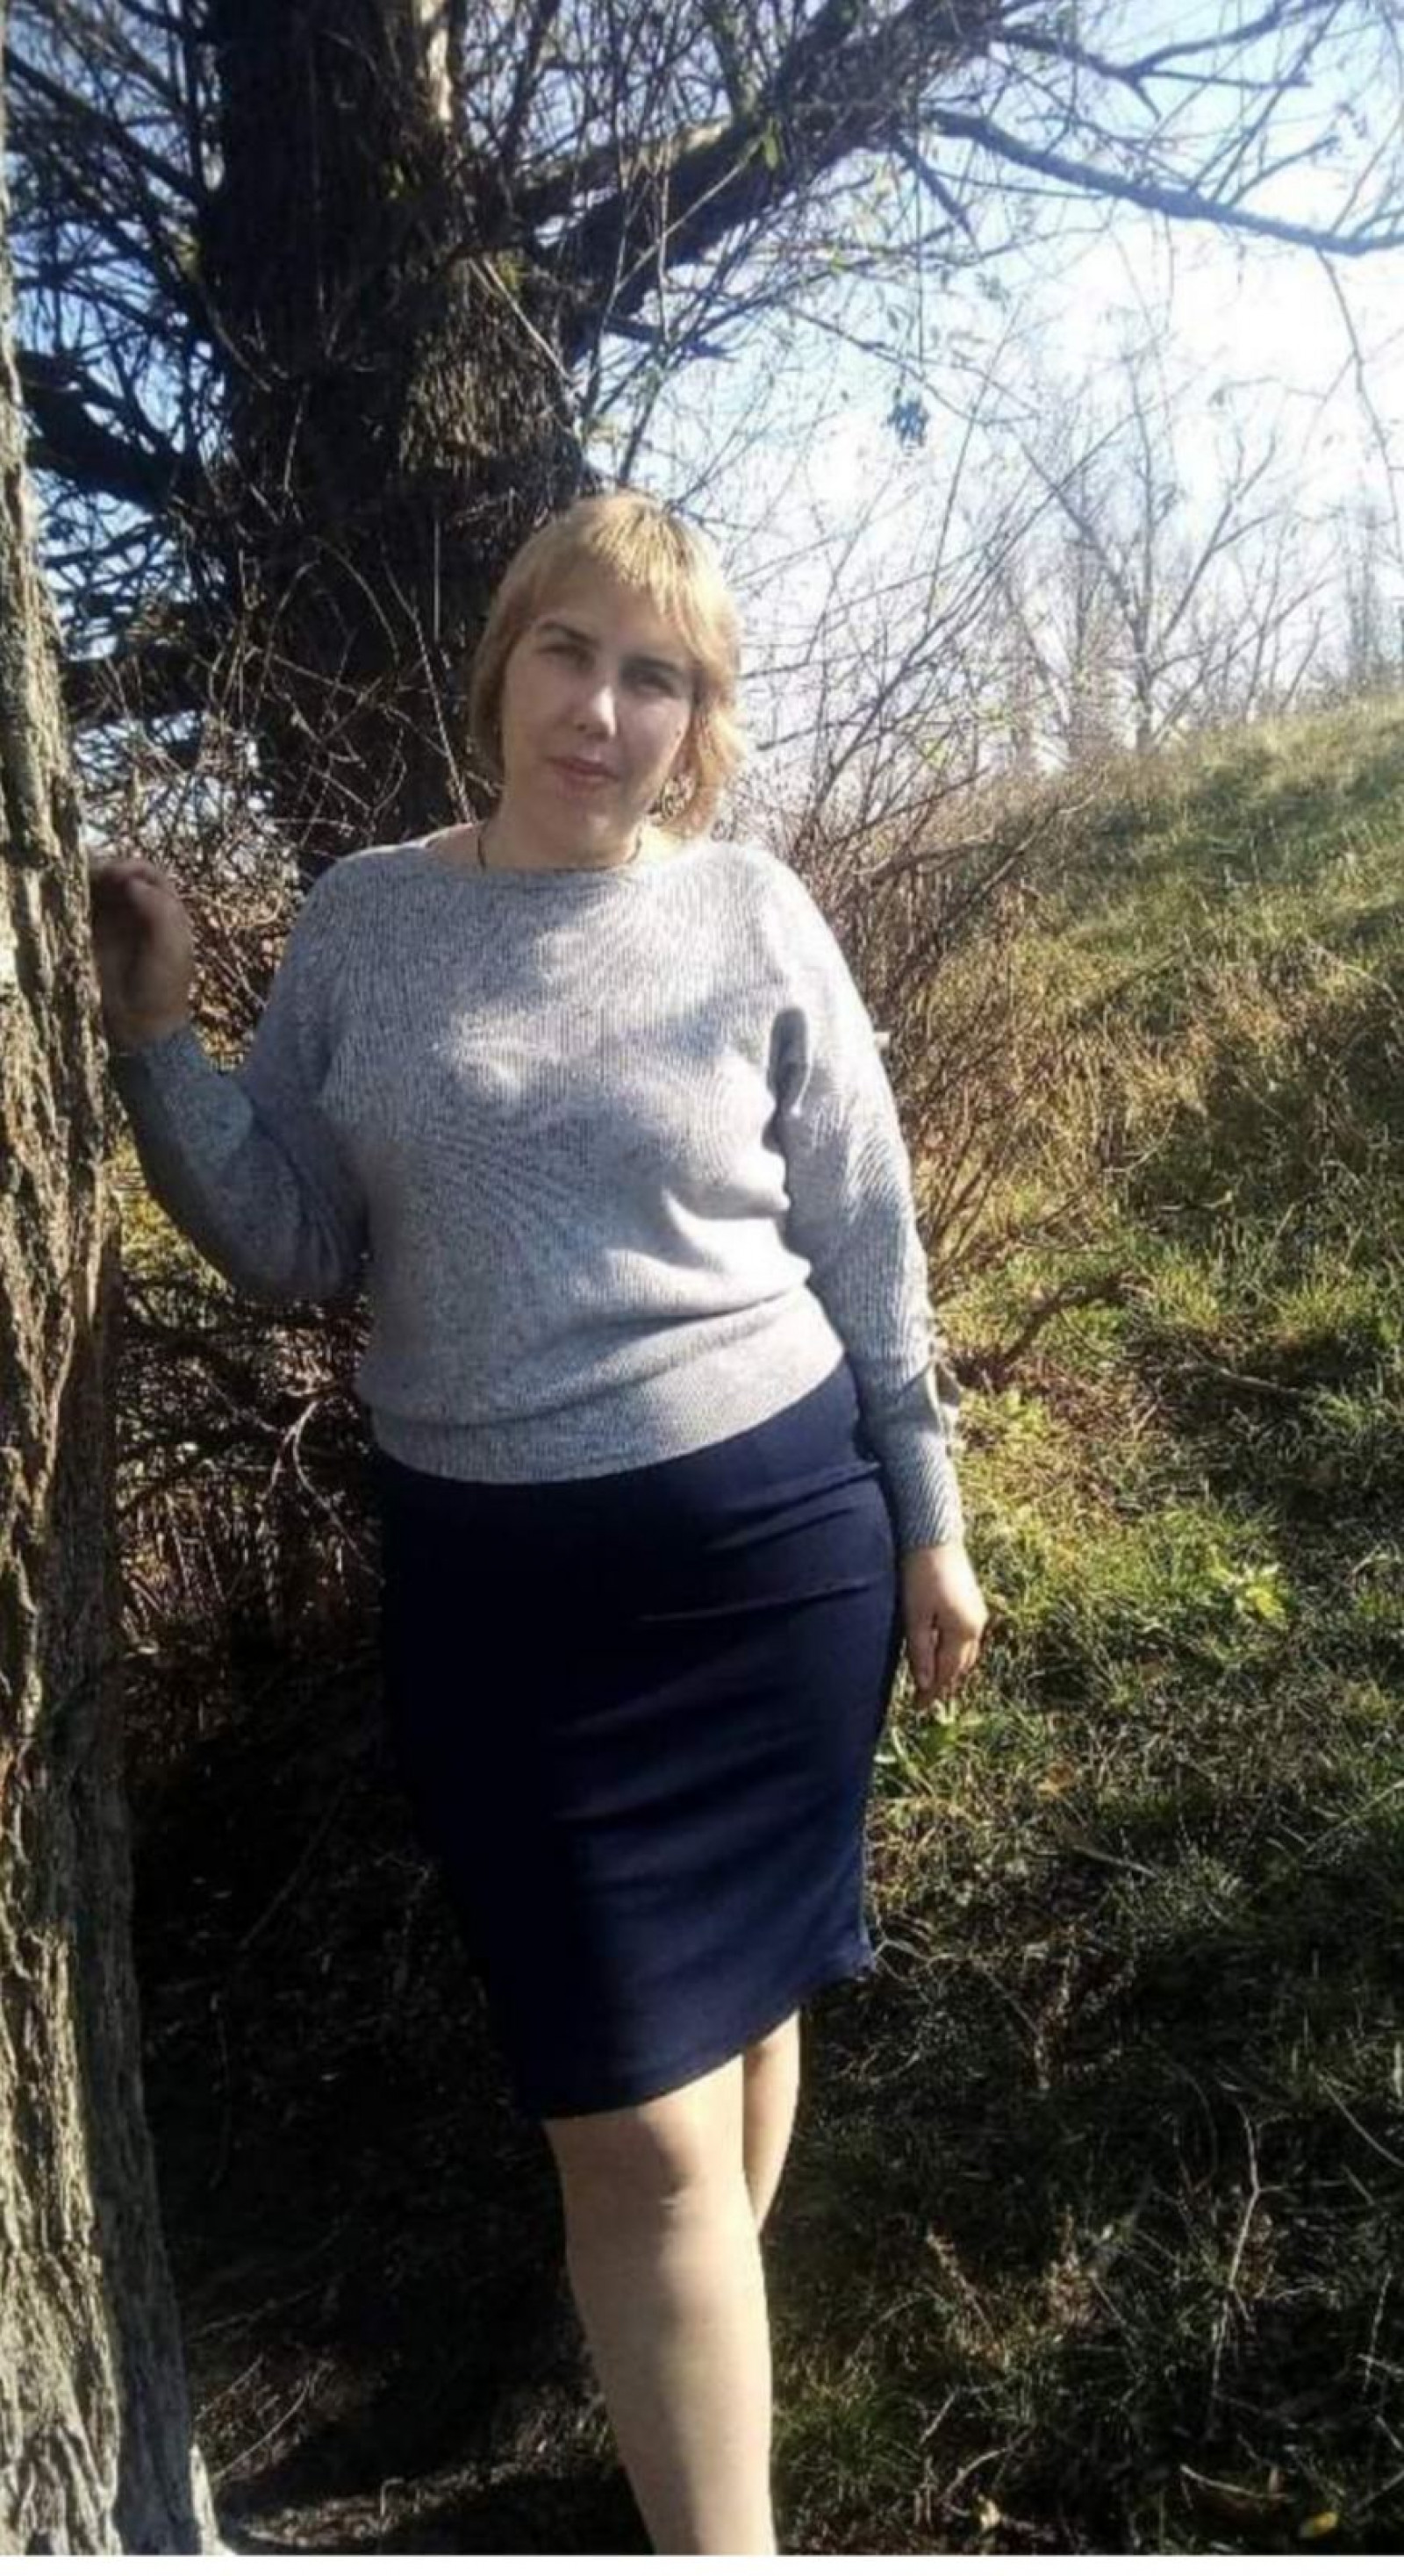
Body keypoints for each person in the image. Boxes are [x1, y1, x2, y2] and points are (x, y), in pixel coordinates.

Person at [90, 489, 988, 2556]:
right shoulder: (367, 922)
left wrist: (927, 1513)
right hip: (507, 1607)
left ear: (697, 725)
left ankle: (689, 2437)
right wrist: (156, 1044)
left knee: (746, 2014)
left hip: (777, 1558)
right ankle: (703, 2435)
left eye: (652, 676)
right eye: (568, 652)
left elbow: (863, 1234)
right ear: (499, 665)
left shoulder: (750, 913)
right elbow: (293, 1236)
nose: (599, 708)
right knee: (634, 2128)